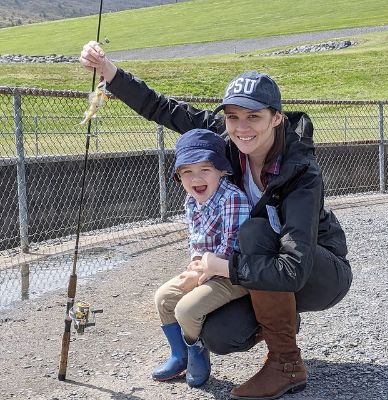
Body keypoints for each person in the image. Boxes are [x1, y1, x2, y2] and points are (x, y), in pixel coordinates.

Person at [80, 42, 353, 400]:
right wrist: (109, 72)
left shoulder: (301, 172)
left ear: (276, 118)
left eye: (253, 117)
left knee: (255, 231)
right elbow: (164, 109)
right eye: (233, 117)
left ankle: (286, 364)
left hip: (318, 273)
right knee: (219, 335)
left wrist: (220, 266)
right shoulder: (226, 139)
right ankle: (279, 319)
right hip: (258, 270)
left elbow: (293, 269)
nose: (242, 128)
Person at [152, 128, 251, 388]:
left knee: (186, 309)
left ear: (222, 171)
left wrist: (200, 273)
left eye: (205, 169)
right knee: (164, 298)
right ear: (179, 176)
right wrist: (195, 264)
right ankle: (179, 355)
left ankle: (196, 349)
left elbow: (232, 247)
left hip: (233, 274)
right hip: (206, 269)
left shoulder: (232, 198)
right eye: (187, 171)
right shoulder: (191, 200)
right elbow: (195, 240)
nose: (196, 178)